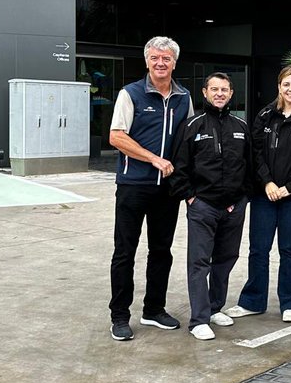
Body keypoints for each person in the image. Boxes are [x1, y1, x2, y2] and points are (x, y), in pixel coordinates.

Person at [108, 36, 192, 342]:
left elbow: (187, 142)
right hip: (133, 186)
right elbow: (116, 136)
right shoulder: (130, 94)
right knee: (124, 252)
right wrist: (153, 159)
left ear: (174, 63)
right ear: (147, 61)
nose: (160, 63)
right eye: (155, 58)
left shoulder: (184, 97)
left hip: (167, 191)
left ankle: (154, 309)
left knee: (161, 251)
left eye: (166, 59)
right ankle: (119, 316)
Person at [228, 65, 291, 322]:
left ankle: (290, 302)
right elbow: (255, 153)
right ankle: (253, 301)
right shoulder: (265, 115)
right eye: (286, 84)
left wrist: (290, 187)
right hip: (265, 194)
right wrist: (267, 183)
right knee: (258, 248)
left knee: (289, 248)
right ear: (279, 87)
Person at [170, 73, 252, 340]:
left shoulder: (240, 125)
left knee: (226, 259)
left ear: (231, 93)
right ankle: (199, 320)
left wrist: (243, 199)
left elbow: (250, 166)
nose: (219, 93)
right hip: (203, 206)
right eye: (214, 89)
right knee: (199, 262)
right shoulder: (192, 125)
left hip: (234, 207)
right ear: (204, 92)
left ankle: (215, 307)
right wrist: (191, 197)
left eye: (224, 89)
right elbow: (180, 166)